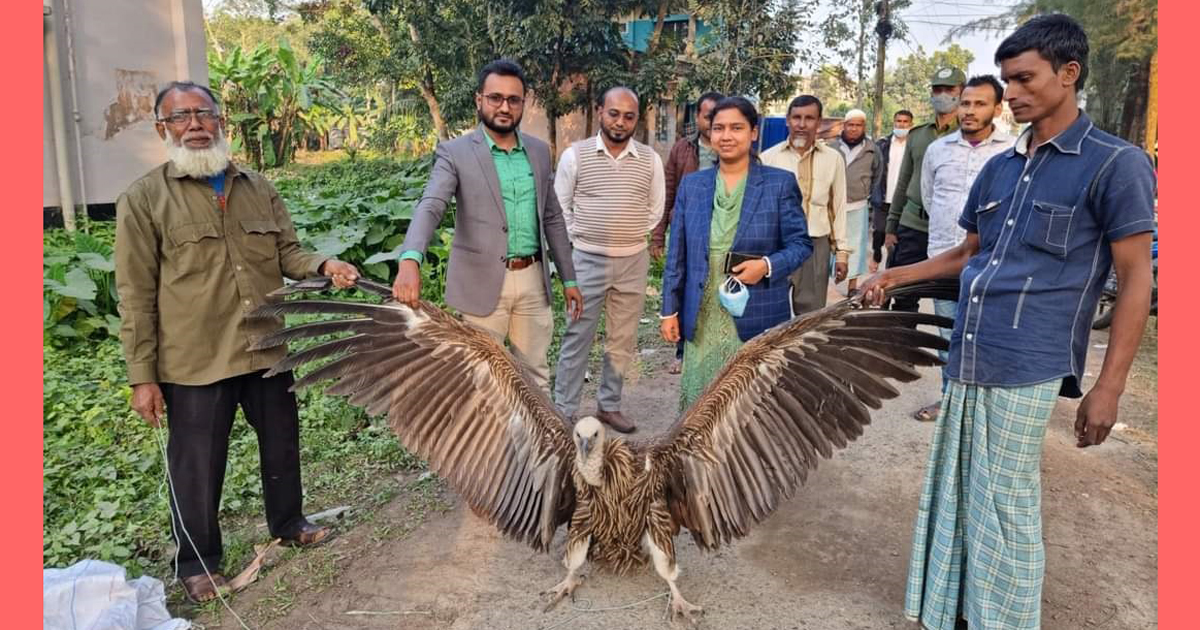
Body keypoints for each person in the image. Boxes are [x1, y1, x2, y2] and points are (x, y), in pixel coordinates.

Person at [862, 15, 1156, 630]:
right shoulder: (999, 168)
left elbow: (1135, 281)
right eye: (1006, 80)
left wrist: (1109, 387)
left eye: (1024, 79)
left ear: (1069, 74)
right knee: (958, 486)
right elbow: (968, 254)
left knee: (1005, 500)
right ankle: (959, 610)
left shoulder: (1114, 164)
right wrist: (893, 276)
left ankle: (1006, 619)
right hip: (969, 349)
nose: (1012, 92)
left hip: (1030, 361)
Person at [115, 81, 361, 603]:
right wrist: (143, 376)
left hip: (266, 345)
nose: (196, 125)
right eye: (181, 117)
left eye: (204, 114)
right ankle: (199, 562)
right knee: (197, 464)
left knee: (282, 442)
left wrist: (323, 264)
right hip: (195, 360)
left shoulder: (257, 186)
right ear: (164, 130)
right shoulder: (144, 199)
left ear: (221, 121)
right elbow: (135, 295)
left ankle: (289, 521)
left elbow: (288, 253)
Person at [393, 59, 583, 393]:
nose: (504, 107)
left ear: (524, 103)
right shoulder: (455, 153)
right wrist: (411, 258)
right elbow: (432, 205)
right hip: (481, 283)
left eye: (513, 100)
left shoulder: (538, 152)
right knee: (482, 380)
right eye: (495, 98)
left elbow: (551, 216)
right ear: (479, 100)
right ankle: (488, 446)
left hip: (533, 280)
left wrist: (569, 278)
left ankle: (529, 445)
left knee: (534, 375)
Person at [660, 97, 813, 410]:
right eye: (719, 128)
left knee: (748, 402)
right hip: (701, 312)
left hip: (754, 310)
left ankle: (744, 458)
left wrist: (767, 265)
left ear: (753, 133)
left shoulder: (779, 184)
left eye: (736, 128)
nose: (726, 136)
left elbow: (800, 245)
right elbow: (677, 254)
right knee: (701, 405)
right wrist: (669, 310)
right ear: (710, 133)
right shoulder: (693, 185)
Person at [552, 87, 666, 433]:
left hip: (633, 261)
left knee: (623, 339)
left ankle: (609, 406)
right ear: (600, 111)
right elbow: (560, 208)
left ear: (636, 119)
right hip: (585, 260)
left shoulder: (650, 160)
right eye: (613, 113)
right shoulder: (576, 156)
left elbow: (654, 210)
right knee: (577, 337)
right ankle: (564, 409)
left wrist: (626, 234)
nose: (620, 122)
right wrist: (583, 239)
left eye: (629, 116)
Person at [911, 74, 1014, 423]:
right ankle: (950, 402)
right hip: (943, 259)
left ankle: (983, 409)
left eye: (979, 104)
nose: (969, 111)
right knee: (948, 335)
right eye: (965, 103)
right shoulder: (937, 150)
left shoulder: (1012, 152)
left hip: (991, 263)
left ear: (997, 108)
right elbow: (929, 197)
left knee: (986, 335)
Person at [652, 91, 724, 375]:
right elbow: (668, 192)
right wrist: (659, 235)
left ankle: (717, 348)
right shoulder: (682, 149)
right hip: (687, 232)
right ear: (698, 117)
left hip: (721, 232)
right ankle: (682, 351)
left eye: (717, 117)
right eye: (708, 116)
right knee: (682, 289)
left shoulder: (730, 148)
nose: (713, 123)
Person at [884, 66, 966, 311]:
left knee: (951, 299)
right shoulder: (917, 135)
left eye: (949, 89)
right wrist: (891, 226)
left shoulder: (969, 135)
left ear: (962, 92)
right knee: (903, 297)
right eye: (937, 89)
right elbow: (903, 182)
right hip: (913, 226)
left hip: (953, 231)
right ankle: (900, 348)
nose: (942, 95)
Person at [761, 95, 848, 315]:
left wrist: (842, 254)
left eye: (809, 118)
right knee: (770, 313)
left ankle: (806, 352)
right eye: (796, 117)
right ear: (787, 120)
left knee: (810, 318)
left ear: (819, 123)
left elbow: (838, 206)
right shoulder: (767, 159)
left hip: (815, 246)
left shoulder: (833, 159)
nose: (802, 124)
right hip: (776, 245)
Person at [826, 108, 881, 293]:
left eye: (858, 125)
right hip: (831, 206)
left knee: (855, 247)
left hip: (858, 206)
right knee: (828, 245)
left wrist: (867, 194)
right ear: (844, 126)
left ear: (863, 127)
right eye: (850, 125)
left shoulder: (872, 150)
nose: (854, 129)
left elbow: (878, 175)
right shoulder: (831, 148)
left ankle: (852, 287)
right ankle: (824, 285)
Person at [870, 109, 913, 272]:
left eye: (905, 122)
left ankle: (890, 267)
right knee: (879, 230)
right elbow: (873, 168)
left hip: (903, 200)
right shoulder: (883, 144)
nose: (901, 125)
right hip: (882, 197)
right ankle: (876, 254)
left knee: (895, 237)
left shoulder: (913, 146)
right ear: (894, 123)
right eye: (898, 121)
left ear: (911, 124)